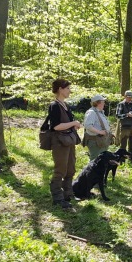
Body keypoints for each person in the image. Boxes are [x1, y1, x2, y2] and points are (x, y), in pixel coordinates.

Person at [48, 79, 81, 209]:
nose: (69, 91)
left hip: (69, 141)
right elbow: (56, 126)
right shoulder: (54, 106)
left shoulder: (65, 105)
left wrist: (74, 125)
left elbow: (66, 123)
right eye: (67, 88)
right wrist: (73, 123)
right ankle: (57, 197)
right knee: (60, 170)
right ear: (60, 89)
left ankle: (68, 194)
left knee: (70, 168)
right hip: (59, 142)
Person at [83, 95, 112, 160]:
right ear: (98, 103)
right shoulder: (92, 112)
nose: (104, 103)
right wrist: (100, 132)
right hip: (95, 141)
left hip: (101, 141)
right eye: (103, 101)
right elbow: (88, 125)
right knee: (95, 161)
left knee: (101, 161)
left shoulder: (100, 112)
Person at [115, 90, 132, 163]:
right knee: (123, 146)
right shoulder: (121, 104)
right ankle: (121, 161)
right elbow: (117, 115)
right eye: (128, 97)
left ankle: (131, 160)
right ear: (125, 96)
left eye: (131, 97)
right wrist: (127, 115)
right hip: (125, 127)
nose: (130, 98)